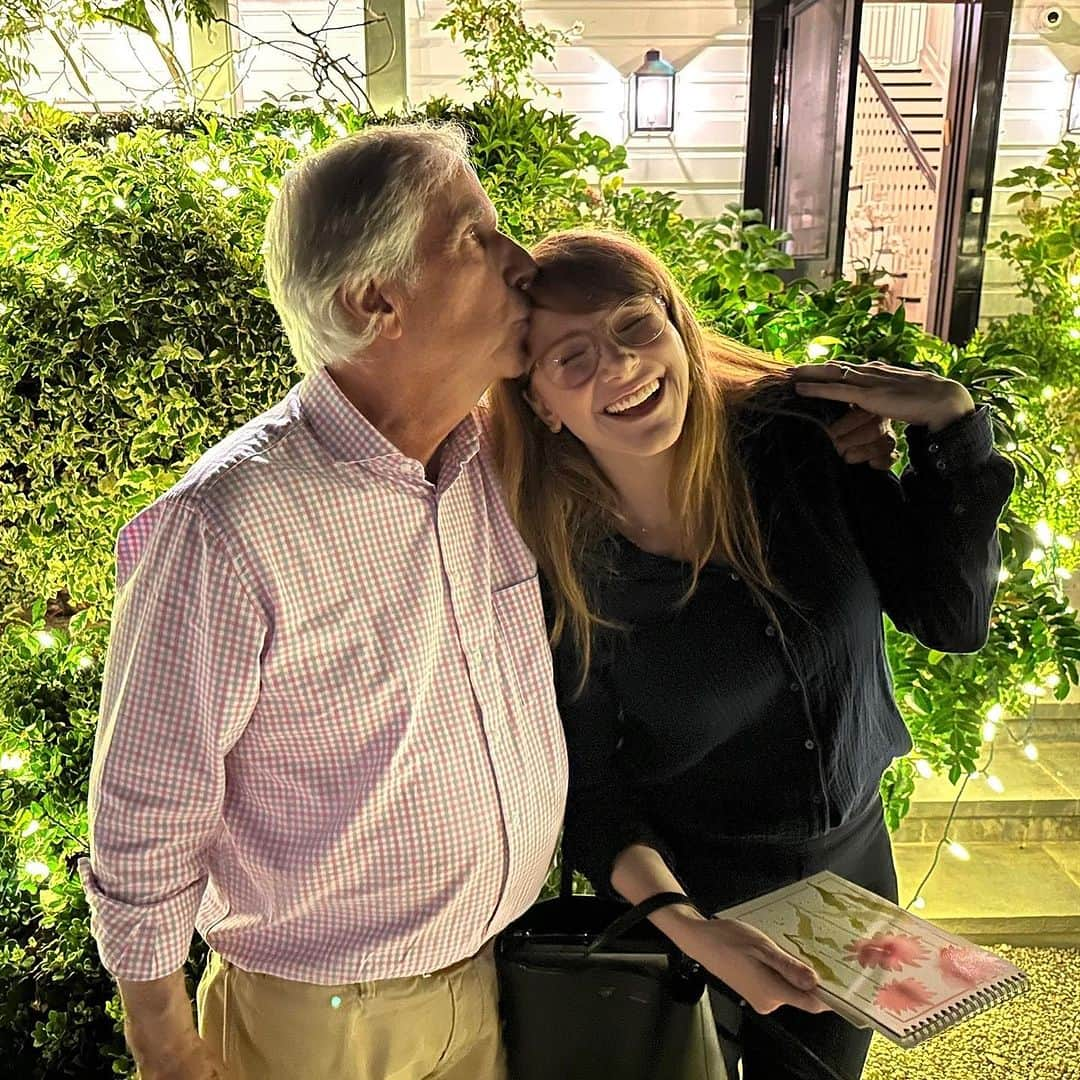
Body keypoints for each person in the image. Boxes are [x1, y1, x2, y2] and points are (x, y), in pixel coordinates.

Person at [78, 123, 568, 1080]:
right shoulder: (223, 526)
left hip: (480, 988)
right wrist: (166, 1045)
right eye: (474, 236)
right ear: (374, 299)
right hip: (319, 1029)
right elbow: (145, 811)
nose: (522, 262)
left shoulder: (492, 465)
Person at [488, 230, 1016, 1080]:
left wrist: (954, 427)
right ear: (541, 401)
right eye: (571, 357)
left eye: (634, 326)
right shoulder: (557, 566)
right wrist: (692, 928)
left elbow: (951, 617)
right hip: (684, 904)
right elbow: (590, 791)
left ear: (676, 328)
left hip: (849, 881)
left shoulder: (802, 448)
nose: (620, 366)